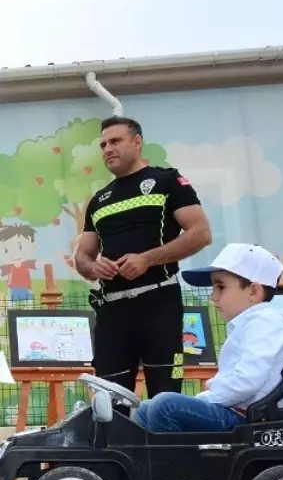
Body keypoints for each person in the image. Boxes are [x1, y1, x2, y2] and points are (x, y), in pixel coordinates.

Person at [73, 116, 212, 398]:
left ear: (137, 142)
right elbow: (83, 257)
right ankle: (116, 443)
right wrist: (93, 266)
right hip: (112, 311)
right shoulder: (99, 199)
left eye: (115, 141)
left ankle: (162, 443)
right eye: (103, 145)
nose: (107, 149)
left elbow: (200, 233)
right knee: (110, 401)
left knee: (164, 396)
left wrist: (146, 259)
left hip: (159, 303)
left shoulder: (168, 181)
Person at [133, 244, 283, 433]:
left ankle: (176, 462)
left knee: (164, 406)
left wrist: (203, 399)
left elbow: (246, 382)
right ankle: (150, 462)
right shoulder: (253, 323)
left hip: (249, 417)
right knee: (145, 409)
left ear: (254, 291)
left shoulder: (264, 323)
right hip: (238, 410)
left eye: (220, 287)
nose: (213, 296)